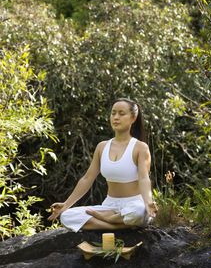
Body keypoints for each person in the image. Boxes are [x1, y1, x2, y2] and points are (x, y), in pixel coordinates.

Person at [48, 98, 158, 231]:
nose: (116, 117)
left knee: (138, 213)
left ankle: (108, 221)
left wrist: (148, 202)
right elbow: (87, 178)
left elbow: (144, 178)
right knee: (67, 216)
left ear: (133, 118)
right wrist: (65, 205)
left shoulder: (140, 147)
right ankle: (115, 225)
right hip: (109, 207)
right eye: (113, 113)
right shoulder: (102, 147)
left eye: (121, 114)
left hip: (134, 204)